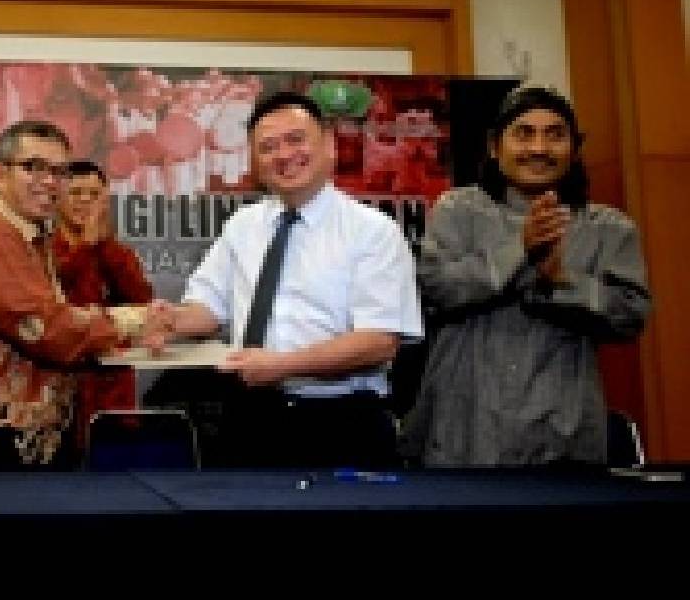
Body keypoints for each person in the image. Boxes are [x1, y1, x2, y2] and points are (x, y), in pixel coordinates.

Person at [143, 90, 422, 468]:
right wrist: (173, 320)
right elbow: (208, 308)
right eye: (268, 147)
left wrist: (282, 365)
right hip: (249, 419)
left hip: (341, 422)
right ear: (255, 162)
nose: (284, 155)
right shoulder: (243, 226)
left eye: (295, 139)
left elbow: (378, 343)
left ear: (329, 144)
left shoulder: (373, 232)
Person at [403, 85, 650, 466]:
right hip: (463, 428)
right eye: (524, 133)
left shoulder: (608, 228)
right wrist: (519, 249)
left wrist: (561, 282)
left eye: (555, 135)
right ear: (494, 146)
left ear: (575, 149)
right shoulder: (458, 211)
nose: (538, 148)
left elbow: (630, 316)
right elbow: (435, 288)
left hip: (564, 430)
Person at [0, 121, 143, 470]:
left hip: (30, 436)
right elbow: (45, 328)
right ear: (0, 174)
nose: (49, 181)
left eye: (59, 172)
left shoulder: (33, 238)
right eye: (33, 167)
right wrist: (136, 322)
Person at [53, 160, 154, 449]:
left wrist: (103, 245)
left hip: (113, 383)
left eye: (94, 194)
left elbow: (142, 302)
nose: (86, 201)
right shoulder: (43, 250)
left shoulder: (118, 253)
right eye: (76, 193)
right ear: (57, 198)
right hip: (61, 381)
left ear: (106, 200)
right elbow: (55, 296)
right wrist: (86, 245)